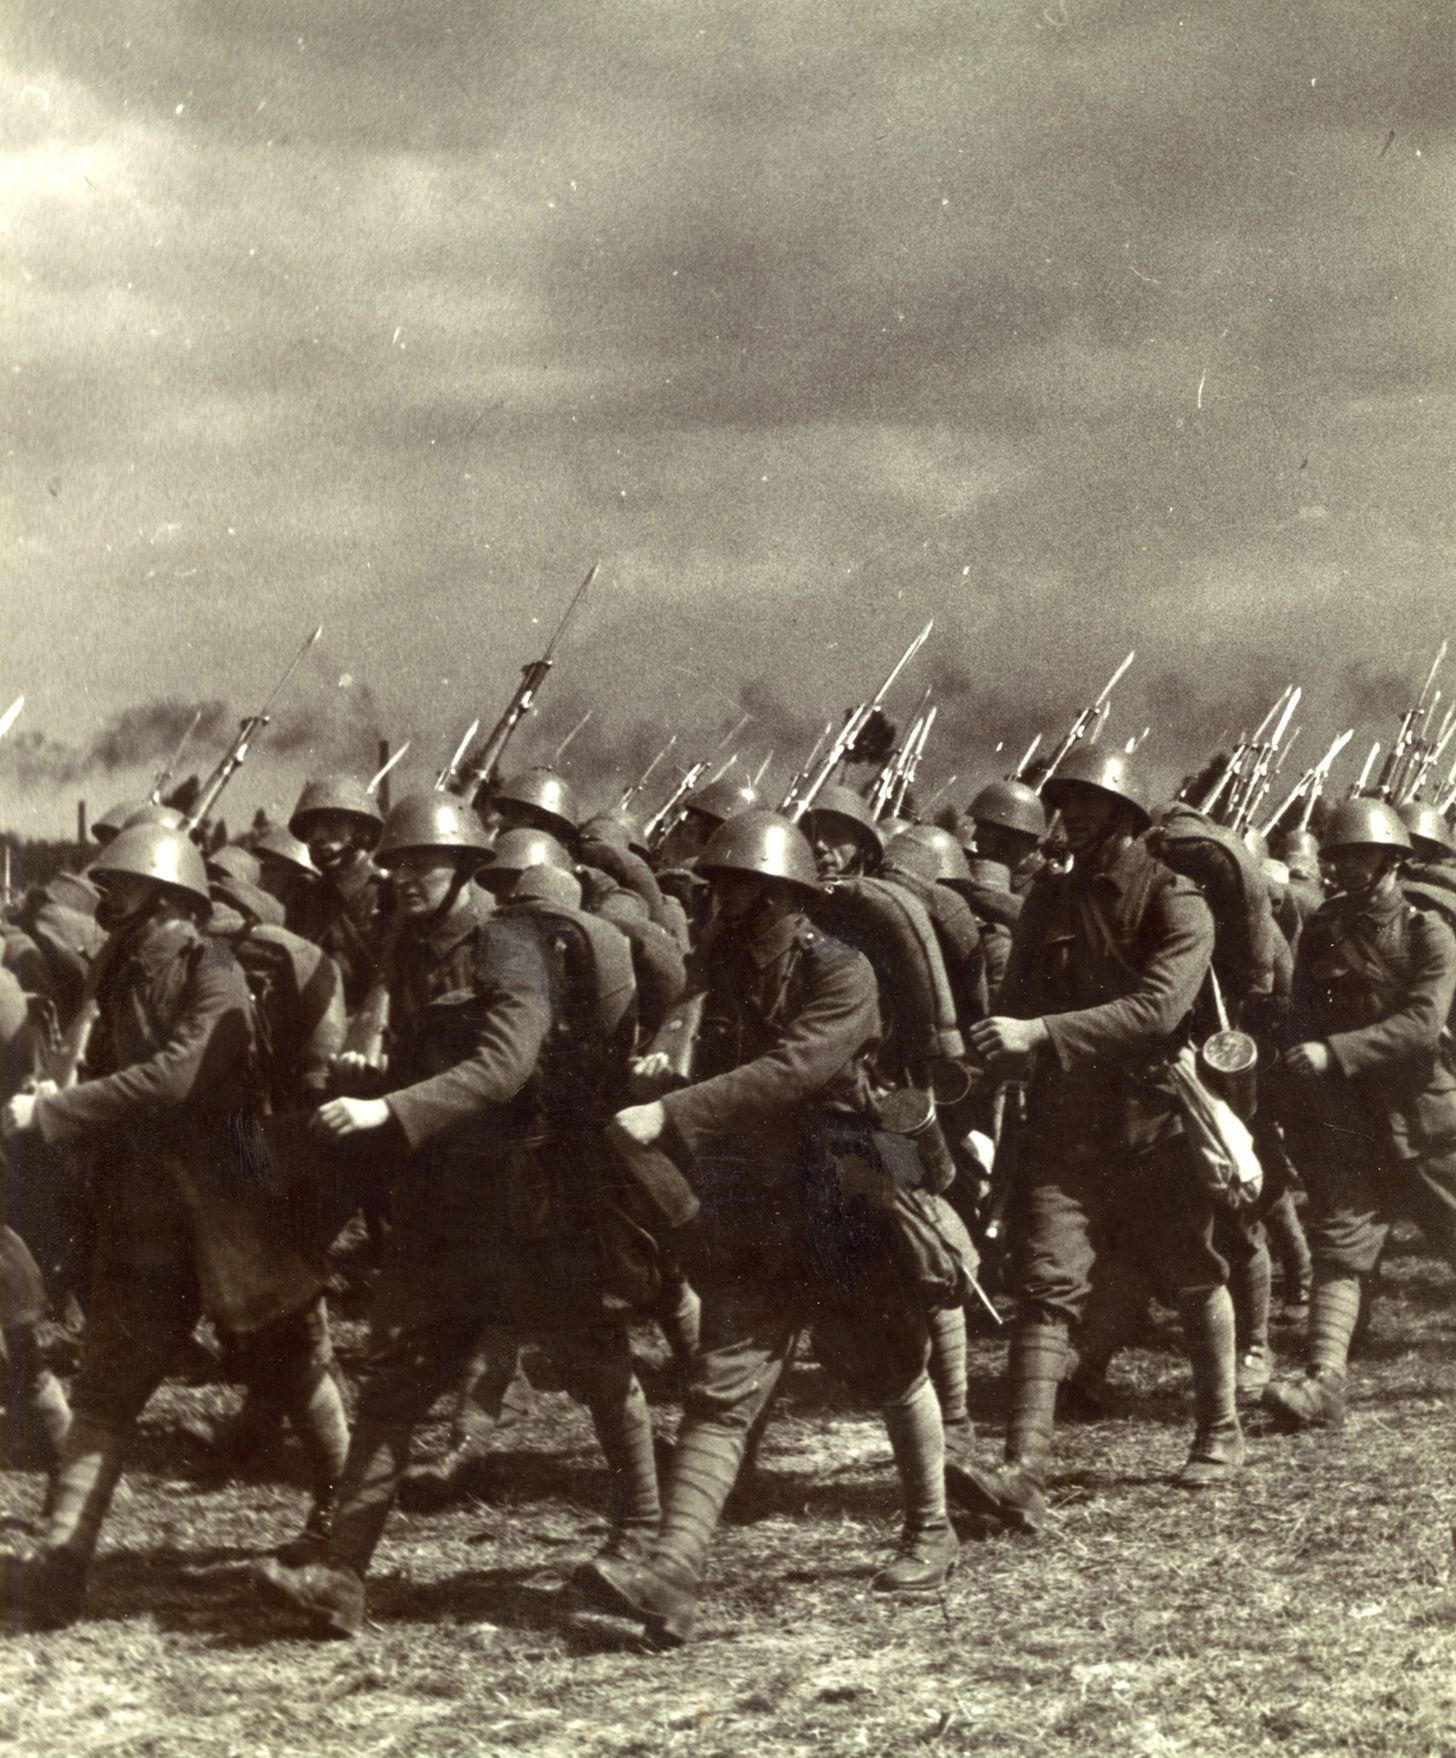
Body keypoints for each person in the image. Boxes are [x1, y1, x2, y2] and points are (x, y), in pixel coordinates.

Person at [255, 792, 660, 1638]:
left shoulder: (507, 943)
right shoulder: (411, 944)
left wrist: (389, 1109)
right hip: (445, 1204)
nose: (404, 877)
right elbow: (415, 1053)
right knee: (396, 1386)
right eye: (398, 864)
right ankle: (343, 1576)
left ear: (466, 868)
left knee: (596, 1365)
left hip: (533, 1195)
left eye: (423, 863)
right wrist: (370, 1081)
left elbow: (506, 1066)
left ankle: (644, 1539)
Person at [578, 810, 960, 1648]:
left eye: (737, 888)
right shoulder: (723, 969)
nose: (721, 902)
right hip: (754, 1198)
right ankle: (673, 1571)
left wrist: (672, 1111)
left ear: (782, 897)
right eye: (717, 888)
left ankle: (932, 1528)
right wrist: (660, 1059)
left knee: (888, 1363)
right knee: (723, 1382)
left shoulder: (843, 971)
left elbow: (799, 1069)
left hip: (840, 1182)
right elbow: (688, 1032)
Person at [1, 821, 346, 1629]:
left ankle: (339, 1524)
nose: (107, 899)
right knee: (108, 1386)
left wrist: (56, 1112)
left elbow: (178, 1074)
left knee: (290, 1365)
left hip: (232, 1202)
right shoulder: (120, 970)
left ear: (163, 899)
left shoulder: (213, 969)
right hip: (145, 1210)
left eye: (122, 888)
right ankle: (59, 1562)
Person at [956, 748, 1233, 1535]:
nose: (1070, 815)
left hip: (1153, 1121)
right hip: (1065, 1121)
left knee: (1190, 1270)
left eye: (1086, 803)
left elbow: (1156, 1010)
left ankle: (1220, 1429)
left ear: (1124, 814)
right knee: (1045, 1283)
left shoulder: (1178, 899)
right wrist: (987, 1072)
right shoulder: (1049, 897)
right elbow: (1013, 1002)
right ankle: (1023, 1470)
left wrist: (1040, 1034)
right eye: (1065, 801)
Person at [1264, 798, 1456, 1430]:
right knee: (1342, 1243)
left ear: (1392, 861)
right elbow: (1302, 1013)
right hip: (1352, 1118)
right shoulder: (1322, 927)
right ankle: (1324, 1383)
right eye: (1337, 855)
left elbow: (1424, 1025)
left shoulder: (1428, 930)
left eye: (1358, 855)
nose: (1343, 866)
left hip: (1424, 1118)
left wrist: (1336, 1051)